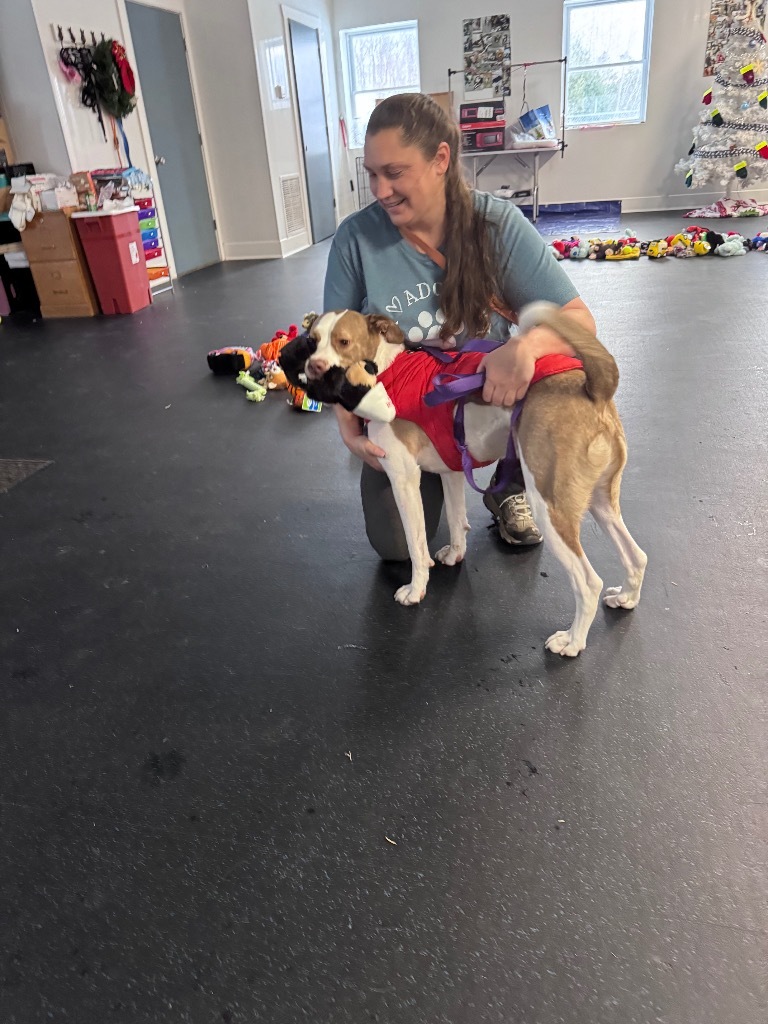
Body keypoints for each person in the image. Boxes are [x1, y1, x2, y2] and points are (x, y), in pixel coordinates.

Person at [324, 93, 597, 561]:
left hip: (488, 408)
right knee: (395, 546)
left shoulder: (497, 226)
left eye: (394, 172)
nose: (380, 190)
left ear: (440, 160)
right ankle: (441, 477)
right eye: (371, 173)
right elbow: (334, 352)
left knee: (528, 422)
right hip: (409, 416)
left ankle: (505, 480)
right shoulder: (356, 238)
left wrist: (527, 348)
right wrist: (350, 430)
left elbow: (579, 322)